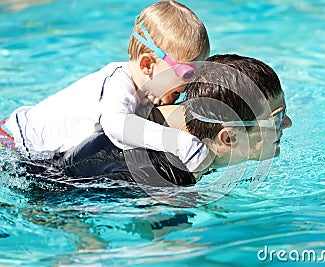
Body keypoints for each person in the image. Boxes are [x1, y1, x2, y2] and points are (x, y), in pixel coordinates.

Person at [1, 0, 211, 172]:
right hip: (15, 143)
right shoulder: (117, 84)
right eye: (187, 73)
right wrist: (180, 144)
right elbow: (118, 126)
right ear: (147, 65)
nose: (191, 83)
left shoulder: (148, 90)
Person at [27, 54, 292, 187]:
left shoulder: (164, 112)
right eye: (277, 119)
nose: (288, 124)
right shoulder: (164, 176)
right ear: (228, 137)